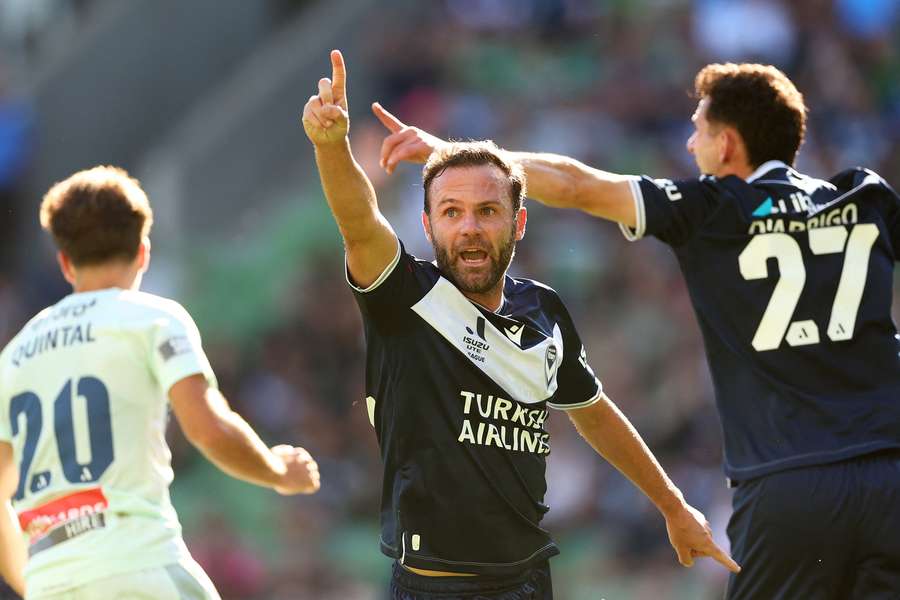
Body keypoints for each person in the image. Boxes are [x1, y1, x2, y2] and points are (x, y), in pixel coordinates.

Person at [373, 62, 900, 599]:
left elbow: (578, 185)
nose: (691, 144)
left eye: (699, 129)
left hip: (789, 482)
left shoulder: (708, 207)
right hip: (890, 473)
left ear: (728, 143)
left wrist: (453, 157)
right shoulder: (865, 195)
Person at [301, 50, 738, 600]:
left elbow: (594, 412)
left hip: (530, 580)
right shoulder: (404, 298)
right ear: (428, 223)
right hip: (436, 588)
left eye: (487, 211)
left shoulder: (545, 311)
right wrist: (331, 146)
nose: (470, 229)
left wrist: (674, 506)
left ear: (518, 221)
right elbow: (359, 223)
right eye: (452, 212)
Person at [0, 166, 321, 599]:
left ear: (63, 262)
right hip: (140, 566)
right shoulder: (152, 318)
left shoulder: (14, 355)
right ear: (143, 251)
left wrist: (37, 583)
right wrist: (279, 472)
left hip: (50, 582)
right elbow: (207, 428)